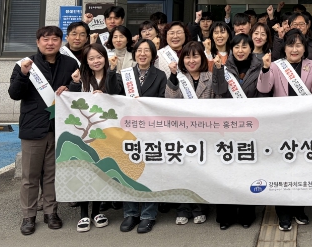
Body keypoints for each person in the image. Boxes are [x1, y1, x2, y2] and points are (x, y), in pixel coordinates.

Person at [9, 26, 79, 235]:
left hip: (60, 127)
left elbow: (78, 92)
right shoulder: (26, 64)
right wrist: (23, 74)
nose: (50, 43)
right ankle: (28, 216)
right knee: (30, 176)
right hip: (33, 127)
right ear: (38, 42)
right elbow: (14, 94)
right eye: (45, 39)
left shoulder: (70, 63)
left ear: (61, 41)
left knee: (52, 174)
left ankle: (51, 212)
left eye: (55, 39)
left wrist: (72, 87)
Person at [259, 30, 312, 232]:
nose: (294, 49)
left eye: (298, 45)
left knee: (303, 169)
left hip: (305, 125)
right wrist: (265, 68)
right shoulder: (276, 65)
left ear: (304, 48)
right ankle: (283, 213)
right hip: (282, 126)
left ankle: (299, 209)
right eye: (290, 45)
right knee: (283, 169)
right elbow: (264, 89)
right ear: (285, 48)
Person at [108, 38, 166, 234]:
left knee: (150, 172)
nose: (142, 54)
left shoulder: (160, 75)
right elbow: (113, 92)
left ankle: (148, 215)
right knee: (128, 170)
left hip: (151, 130)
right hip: (128, 130)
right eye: (139, 50)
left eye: (147, 51)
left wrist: (146, 103)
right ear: (134, 54)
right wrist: (112, 70)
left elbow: (163, 101)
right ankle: (130, 213)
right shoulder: (126, 73)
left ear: (153, 55)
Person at [212, 34, 265, 230]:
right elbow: (218, 90)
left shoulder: (260, 67)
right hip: (228, 128)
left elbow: (263, 94)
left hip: (251, 128)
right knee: (226, 172)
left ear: (251, 49)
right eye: (237, 47)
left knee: (247, 172)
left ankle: (246, 214)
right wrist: (218, 70)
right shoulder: (224, 67)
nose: (240, 50)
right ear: (231, 49)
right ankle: (225, 216)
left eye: (244, 46)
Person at [164, 40, 212, 225]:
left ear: (202, 58)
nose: (191, 61)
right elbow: (170, 99)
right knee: (182, 172)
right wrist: (173, 76)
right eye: (187, 57)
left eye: (195, 56)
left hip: (205, 134)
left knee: (201, 172)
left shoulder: (210, 77)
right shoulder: (179, 77)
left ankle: (199, 207)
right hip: (182, 134)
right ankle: (183, 208)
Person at [67, 43, 112, 232]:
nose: (96, 61)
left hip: (107, 133)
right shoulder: (82, 78)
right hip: (85, 134)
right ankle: (84, 213)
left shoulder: (112, 76)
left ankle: (97, 212)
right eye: (91, 58)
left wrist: (106, 94)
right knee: (85, 170)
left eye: (99, 57)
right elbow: (70, 101)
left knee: (102, 171)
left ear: (105, 58)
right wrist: (74, 83)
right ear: (86, 61)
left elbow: (120, 98)